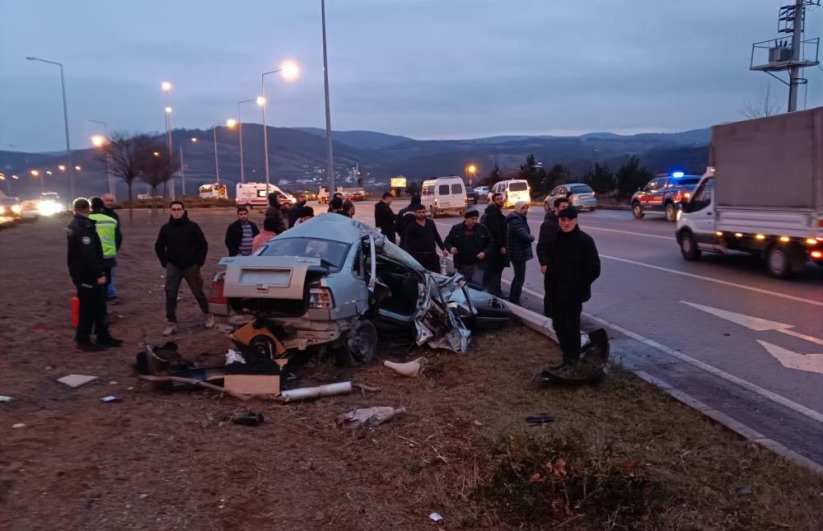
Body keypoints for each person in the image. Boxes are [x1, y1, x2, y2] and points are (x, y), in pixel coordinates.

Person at [544, 207, 601, 369]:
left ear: (575, 220)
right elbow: (552, 266)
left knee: (571, 329)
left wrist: (577, 287)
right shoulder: (557, 238)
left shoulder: (585, 241)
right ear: (559, 221)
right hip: (556, 294)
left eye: (569, 220)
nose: (566, 223)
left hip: (573, 296)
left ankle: (573, 361)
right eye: (563, 220)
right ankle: (566, 358)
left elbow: (594, 269)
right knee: (559, 326)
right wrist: (549, 291)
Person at [66, 198, 122, 351]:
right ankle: (83, 340)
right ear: (87, 208)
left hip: (86, 272)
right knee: (88, 307)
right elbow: (88, 254)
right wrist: (99, 273)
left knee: (100, 305)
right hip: (86, 275)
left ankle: (103, 336)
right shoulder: (81, 227)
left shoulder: (78, 224)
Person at [154, 201, 214, 336]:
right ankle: (171, 322)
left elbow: (203, 245)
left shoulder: (193, 227)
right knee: (170, 293)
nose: (176, 212)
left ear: (183, 211)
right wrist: (165, 262)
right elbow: (158, 246)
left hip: (191, 266)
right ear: (170, 211)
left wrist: (199, 262)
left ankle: (209, 314)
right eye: (174, 209)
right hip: (173, 266)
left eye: (178, 209)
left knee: (198, 292)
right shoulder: (166, 228)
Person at [536, 197, 570, 315]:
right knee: (551, 292)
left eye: (567, 207)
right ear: (556, 208)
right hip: (552, 264)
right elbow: (542, 246)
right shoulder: (548, 224)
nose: (566, 210)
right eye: (563, 207)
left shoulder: (568, 222)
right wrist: (544, 263)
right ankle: (549, 317)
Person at [444, 209, 493, 286]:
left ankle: (475, 297)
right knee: (463, 284)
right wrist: (451, 248)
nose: (474, 221)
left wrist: (484, 252)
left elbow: (491, 242)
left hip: (478, 263)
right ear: (466, 218)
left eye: (476, 219)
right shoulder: (456, 228)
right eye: (472, 219)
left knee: (476, 282)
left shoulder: (482, 228)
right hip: (462, 263)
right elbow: (447, 242)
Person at [88, 197, 119, 302]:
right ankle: (106, 297)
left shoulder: (87, 220)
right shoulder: (111, 220)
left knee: (94, 278)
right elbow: (118, 237)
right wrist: (114, 248)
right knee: (107, 279)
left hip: (94, 256)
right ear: (102, 205)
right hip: (109, 254)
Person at [402, 203, 448, 272]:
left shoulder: (430, 223)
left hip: (432, 256)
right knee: (423, 278)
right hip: (419, 257)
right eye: (419, 212)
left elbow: (436, 236)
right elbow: (407, 243)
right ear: (415, 213)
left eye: (423, 212)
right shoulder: (411, 227)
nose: (421, 214)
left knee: (436, 276)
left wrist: (443, 249)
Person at [506, 201, 534, 305]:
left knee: (518, 277)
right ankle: (514, 300)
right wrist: (532, 237)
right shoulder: (515, 220)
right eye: (523, 208)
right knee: (519, 277)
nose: (525, 210)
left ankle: (513, 298)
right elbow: (525, 236)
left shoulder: (517, 218)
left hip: (517, 251)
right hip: (517, 253)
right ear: (518, 208)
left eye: (526, 208)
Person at [480, 192, 509, 296]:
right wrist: (501, 246)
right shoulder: (493, 214)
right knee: (496, 270)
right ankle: (496, 292)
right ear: (493, 201)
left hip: (495, 247)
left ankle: (494, 291)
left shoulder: (496, 212)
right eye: (498, 199)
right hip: (495, 248)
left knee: (494, 269)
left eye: (501, 198)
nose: (500, 200)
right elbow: (496, 232)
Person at [101, 193, 123, 303]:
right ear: (102, 201)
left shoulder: (115, 215)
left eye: (111, 200)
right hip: (98, 251)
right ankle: (104, 293)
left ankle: (110, 293)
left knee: (111, 274)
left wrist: (116, 247)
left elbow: (117, 234)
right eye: (107, 200)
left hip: (110, 250)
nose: (109, 202)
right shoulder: (97, 215)